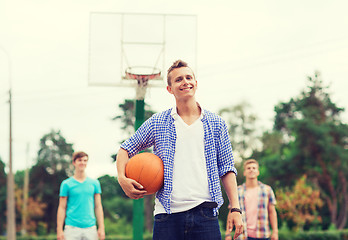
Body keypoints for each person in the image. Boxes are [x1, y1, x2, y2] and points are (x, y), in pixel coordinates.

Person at [116, 59, 243, 240]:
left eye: (189, 77)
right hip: (167, 215)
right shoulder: (158, 122)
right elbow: (125, 149)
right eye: (178, 79)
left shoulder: (216, 124)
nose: (185, 82)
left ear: (196, 84)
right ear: (169, 89)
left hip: (205, 213)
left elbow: (227, 168)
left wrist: (235, 208)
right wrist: (122, 178)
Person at [57, 151, 105, 240]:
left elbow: (98, 206)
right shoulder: (66, 184)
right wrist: (59, 230)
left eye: (85, 160)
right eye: (80, 160)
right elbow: (62, 207)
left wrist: (101, 228)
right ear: (74, 163)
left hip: (90, 228)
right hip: (71, 228)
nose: (82, 163)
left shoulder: (94, 183)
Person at [225, 159, 278, 240]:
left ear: (258, 172)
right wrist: (228, 234)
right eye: (248, 168)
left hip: (262, 235)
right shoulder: (237, 191)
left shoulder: (267, 190)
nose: (251, 170)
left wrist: (275, 231)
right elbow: (231, 212)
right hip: (242, 235)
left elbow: (272, 212)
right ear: (244, 172)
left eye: (254, 168)